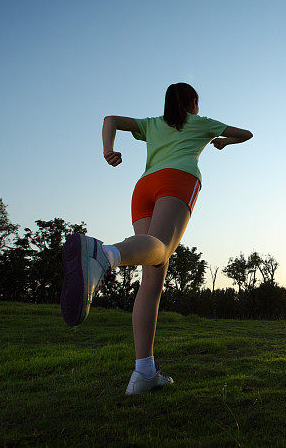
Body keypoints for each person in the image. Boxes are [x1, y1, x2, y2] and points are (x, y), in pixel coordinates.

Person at [60, 82, 252, 395]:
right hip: (177, 180)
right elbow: (246, 134)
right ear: (192, 103)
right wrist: (222, 142)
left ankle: (144, 372)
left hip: (144, 188)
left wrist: (108, 150)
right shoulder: (201, 124)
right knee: (160, 250)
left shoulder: (152, 124)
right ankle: (103, 255)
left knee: (152, 277)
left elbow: (110, 119)